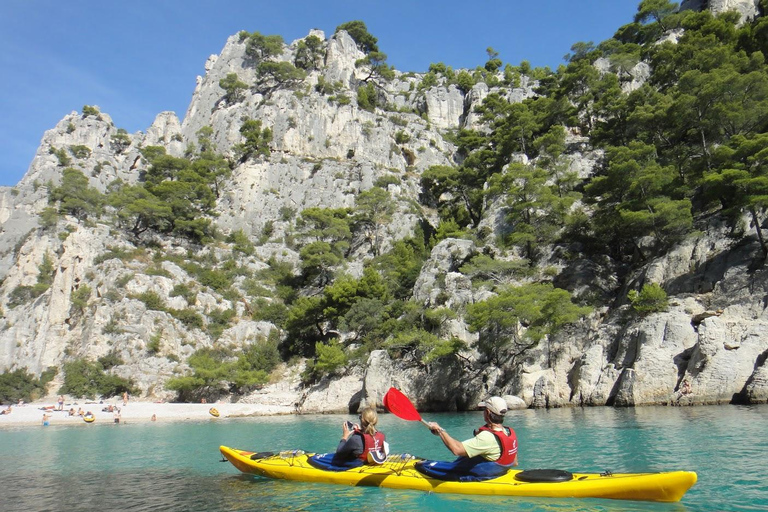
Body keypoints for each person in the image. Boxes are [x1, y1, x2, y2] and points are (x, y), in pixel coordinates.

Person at [422, 396, 518, 480]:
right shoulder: (508, 432)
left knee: (424, 466)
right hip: (500, 472)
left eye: (484, 410)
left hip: (485, 475)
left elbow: (457, 450)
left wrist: (439, 430)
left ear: (488, 412)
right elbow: (514, 463)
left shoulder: (486, 437)